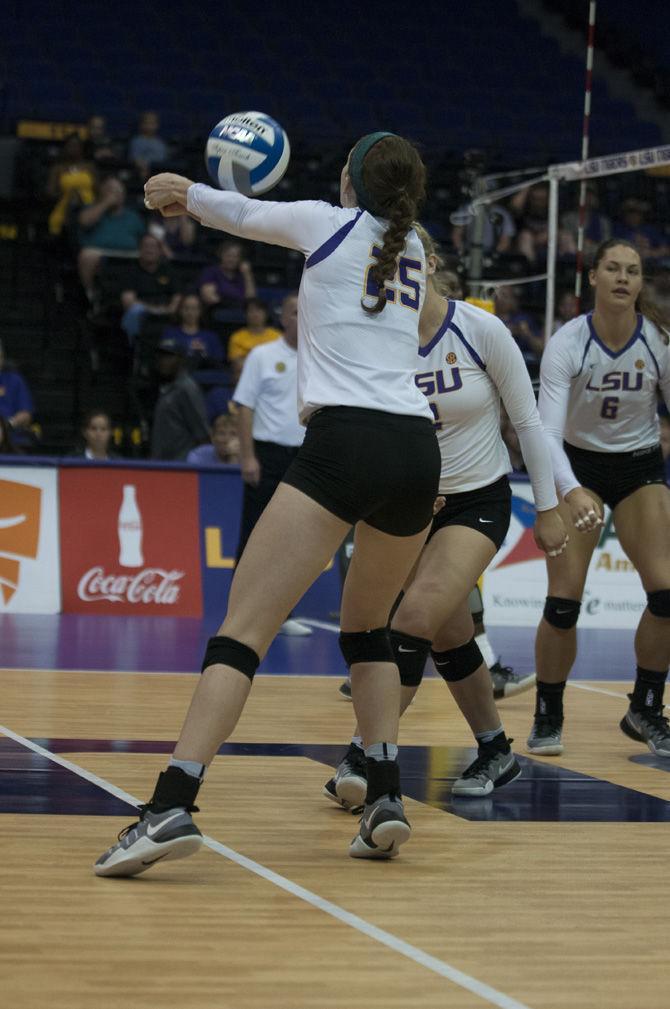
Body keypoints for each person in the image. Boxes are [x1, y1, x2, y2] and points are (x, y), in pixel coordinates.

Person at [95, 131, 440, 876]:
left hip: (348, 438)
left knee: (242, 631)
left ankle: (170, 803)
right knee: (369, 626)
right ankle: (385, 794)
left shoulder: (328, 222)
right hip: (417, 448)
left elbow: (242, 216)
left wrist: (180, 190)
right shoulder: (415, 249)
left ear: (349, 181)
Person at [324, 224, 567, 811]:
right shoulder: (377, 339)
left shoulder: (480, 329)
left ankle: (365, 752)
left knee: (410, 622)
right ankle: (495, 747)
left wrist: (550, 506)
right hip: (407, 504)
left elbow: (528, 423)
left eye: (405, 260)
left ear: (429, 263)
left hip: (476, 501)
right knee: (450, 634)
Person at [527, 238, 670, 757]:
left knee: (666, 593)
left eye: (632, 270)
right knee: (564, 602)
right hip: (577, 464)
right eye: (612, 267)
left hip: (638, 467)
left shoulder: (658, 339)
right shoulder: (568, 342)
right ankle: (548, 713)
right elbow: (544, 432)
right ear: (593, 277)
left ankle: (646, 708)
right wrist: (570, 488)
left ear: (639, 282)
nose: (623, 277)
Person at [232, 292, 311, 636]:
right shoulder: (262, 356)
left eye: (306, 311)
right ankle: (240, 612)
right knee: (254, 535)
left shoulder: (318, 357)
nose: (301, 317)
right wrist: (248, 456)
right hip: (268, 454)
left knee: (294, 539)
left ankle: (284, 613)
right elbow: (245, 406)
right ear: (283, 318)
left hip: (305, 456)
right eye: (295, 311)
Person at [77, 177, 146, 294]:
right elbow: (84, 222)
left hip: (129, 254)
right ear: (102, 192)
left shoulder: (132, 216)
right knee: (87, 256)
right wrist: (105, 203)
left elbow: (144, 238)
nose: (116, 195)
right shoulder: (92, 208)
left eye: (119, 191)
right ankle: (89, 294)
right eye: (111, 191)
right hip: (100, 253)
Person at [149, 337, 210, 461]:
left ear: (181, 359)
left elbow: (202, 432)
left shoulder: (187, 388)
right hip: (162, 464)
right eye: (161, 357)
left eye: (169, 357)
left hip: (180, 466)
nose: (163, 361)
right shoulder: (166, 387)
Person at [119, 234, 181, 345]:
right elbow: (128, 301)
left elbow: (177, 296)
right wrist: (152, 310)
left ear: (160, 251)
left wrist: (170, 309)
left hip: (166, 313)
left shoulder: (168, 270)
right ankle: (133, 349)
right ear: (140, 249)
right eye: (146, 246)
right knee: (134, 311)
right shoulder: (130, 271)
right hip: (142, 314)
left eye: (153, 246)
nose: (149, 250)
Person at [46, 133, 96, 238]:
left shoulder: (90, 167)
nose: (73, 149)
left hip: (88, 206)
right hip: (64, 206)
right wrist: (67, 194)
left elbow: (98, 189)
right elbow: (50, 191)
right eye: (70, 146)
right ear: (65, 148)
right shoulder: (58, 168)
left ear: (81, 148)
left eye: (76, 145)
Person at [160, 294, 224, 367]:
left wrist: (204, 354)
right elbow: (165, 359)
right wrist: (187, 351)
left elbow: (219, 360)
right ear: (180, 310)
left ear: (200, 311)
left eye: (194, 308)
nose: (190, 313)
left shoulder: (211, 336)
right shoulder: (170, 333)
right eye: (186, 308)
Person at [198, 240, 256, 317]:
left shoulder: (242, 275)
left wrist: (247, 274)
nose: (231, 259)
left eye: (235, 256)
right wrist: (233, 303)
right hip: (217, 314)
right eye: (228, 255)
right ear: (220, 255)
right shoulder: (211, 272)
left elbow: (251, 298)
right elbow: (209, 297)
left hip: (241, 316)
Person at [228, 298, 281, 379]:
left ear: (265, 314)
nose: (255, 314)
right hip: (246, 378)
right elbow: (238, 365)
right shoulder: (237, 337)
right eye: (251, 311)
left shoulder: (277, 336)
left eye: (259, 311)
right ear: (246, 314)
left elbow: (281, 360)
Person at [0, 339, 34, 436]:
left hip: (10, 440)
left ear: (2, 359)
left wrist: (8, 424)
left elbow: (26, 415)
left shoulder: (15, 380)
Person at [128, 111, 169, 180]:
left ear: (157, 125)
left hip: (159, 172)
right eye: (146, 123)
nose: (149, 126)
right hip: (142, 172)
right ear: (141, 124)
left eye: (152, 123)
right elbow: (135, 158)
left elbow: (163, 159)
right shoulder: (136, 141)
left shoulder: (160, 143)